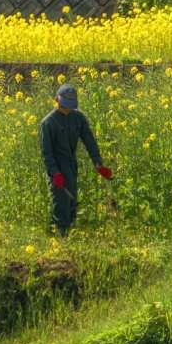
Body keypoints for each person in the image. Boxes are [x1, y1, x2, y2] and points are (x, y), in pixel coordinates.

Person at [39, 84, 112, 236]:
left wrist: (98, 163)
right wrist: (55, 173)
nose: (67, 110)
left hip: (71, 166)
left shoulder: (78, 118)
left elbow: (89, 141)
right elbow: (47, 153)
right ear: (57, 100)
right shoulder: (48, 123)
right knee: (60, 204)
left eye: (70, 107)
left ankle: (67, 236)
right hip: (57, 169)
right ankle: (59, 238)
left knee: (71, 202)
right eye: (65, 106)